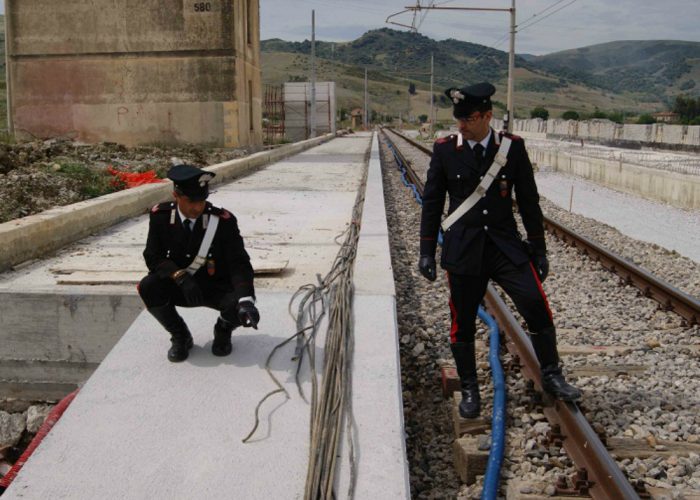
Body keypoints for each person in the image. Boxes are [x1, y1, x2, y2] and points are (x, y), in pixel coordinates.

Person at [418, 82, 581, 419]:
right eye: (458, 118)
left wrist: (539, 248)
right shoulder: (446, 149)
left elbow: (530, 200)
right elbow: (432, 202)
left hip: (505, 247)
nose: (461, 124)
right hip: (464, 249)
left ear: (487, 116)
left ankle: (551, 374)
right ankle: (471, 388)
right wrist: (426, 249)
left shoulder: (512, 148)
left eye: (469, 118)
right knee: (461, 321)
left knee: (535, 304)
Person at [138, 164, 260, 362]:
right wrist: (179, 276)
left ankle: (223, 330)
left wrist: (247, 300)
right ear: (176, 195)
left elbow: (239, 263)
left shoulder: (222, 221)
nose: (197, 207)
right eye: (191, 201)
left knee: (240, 304)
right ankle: (181, 336)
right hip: (182, 286)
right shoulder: (160, 217)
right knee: (148, 287)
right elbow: (153, 256)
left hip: (215, 286)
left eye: (202, 200)